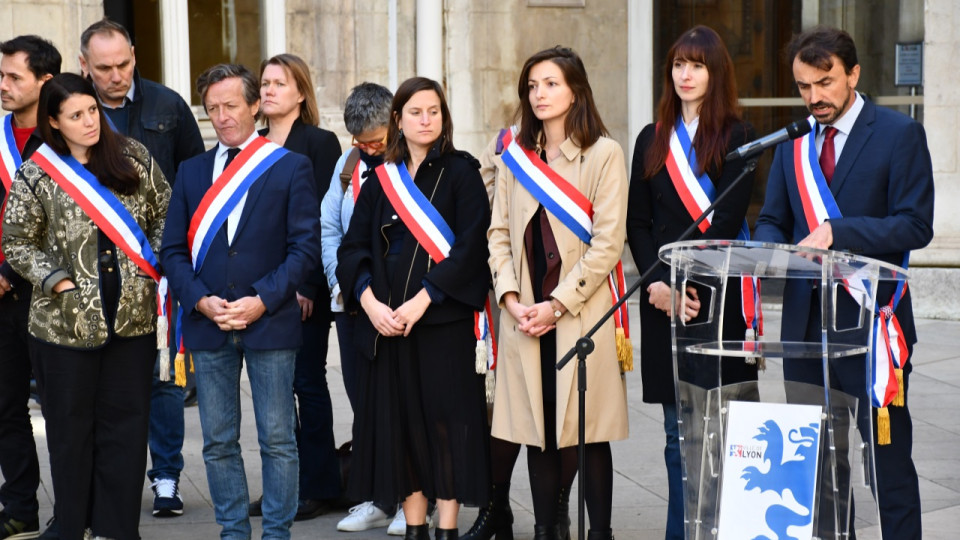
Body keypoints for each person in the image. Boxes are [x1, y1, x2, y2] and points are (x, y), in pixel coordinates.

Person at [753, 26, 933, 539]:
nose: (814, 97)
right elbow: (772, 219)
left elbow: (915, 225)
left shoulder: (899, 134)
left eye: (825, 82)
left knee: (887, 467)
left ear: (853, 74)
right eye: (803, 86)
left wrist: (840, 231)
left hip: (872, 326)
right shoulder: (793, 145)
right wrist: (768, 250)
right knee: (819, 473)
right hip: (804, 331)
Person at [2, 72, 170, 540]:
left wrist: (152, 268)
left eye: (92, 110)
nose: (90, 121)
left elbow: (165, 214)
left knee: (126, 429)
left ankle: (117, 529)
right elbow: (17, 241)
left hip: (132, 319)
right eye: (76, 115)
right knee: (70, 431)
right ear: (54, 122)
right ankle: (71, 525)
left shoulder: (134, 156)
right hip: (63, 324)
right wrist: (55, 281)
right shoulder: (37, 171)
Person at [160, 63, 321, 540]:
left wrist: (262, 300)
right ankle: (233, 532)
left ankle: (277, 534)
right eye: (212, 108)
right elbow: (172, 251)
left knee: (278, 439)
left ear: (255, 105)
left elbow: (305, 249)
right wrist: (200, 301)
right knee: (217, 442)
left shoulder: (290, 166)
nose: (222, 116)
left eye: (231, 105)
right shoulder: (191, 171)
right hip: (209, 323)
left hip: (269, 321)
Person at [336, 76, 491, 540]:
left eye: (434, 111)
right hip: (389, 327)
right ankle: (415, 529)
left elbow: (470, 250)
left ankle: (447, 530)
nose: (426, 120)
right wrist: (368, 302)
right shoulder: (381, 180)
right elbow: (351, 249)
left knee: (445, 428)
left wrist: (424, 299)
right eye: (416, 112)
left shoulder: (462, 172)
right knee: (402, 430)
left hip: (443, 323)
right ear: (398, 120)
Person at [487, 46, 628, 540]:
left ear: (575, 91)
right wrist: (510, 299)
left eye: (551, 84)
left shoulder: (604, 153)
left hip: (578, 313)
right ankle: (547, 529)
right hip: (525, 312)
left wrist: (557, 304)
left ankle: (600, 533)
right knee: (537, 432)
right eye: (532, 86)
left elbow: (608, 243)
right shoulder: (515, 157)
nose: (539, 94)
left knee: (587, 432)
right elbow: (498, 234)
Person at [625, 25, 759, 540]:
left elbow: (725, 223)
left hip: (718, 296)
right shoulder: (651, 137)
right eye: (679, 64)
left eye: (697, 65)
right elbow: (638, 223)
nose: (686, 74)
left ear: (715, 72)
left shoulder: (738, 136)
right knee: (675, 431)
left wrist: (686, 288)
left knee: (722, 430)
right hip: (662, 298)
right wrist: (660, 288)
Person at [79, 18, 205, 519]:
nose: (116, 76)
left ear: (134, 54)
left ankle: (167, 476)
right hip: (90, 270)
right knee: (101, 382)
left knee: (163, 375)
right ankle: (109, 482)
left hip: (156, 265)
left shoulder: (168, 105)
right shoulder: (71, 110)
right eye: (104, 68)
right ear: (84, 65)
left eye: (124, 64)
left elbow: (196, 179)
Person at [320, 82, 414, 535]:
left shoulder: (414, 162)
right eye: (359, 141)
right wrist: (343, 286)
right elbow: (329, 230)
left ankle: (415, 499)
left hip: (405, 310)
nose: (367, 149)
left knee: (407, 406)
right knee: (365, 404)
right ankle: (379, 497)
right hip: (356, 307)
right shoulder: (349, 164)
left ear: (395, 123)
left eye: (374, 141)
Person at [254, 52, 343, 523]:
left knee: (306, 382)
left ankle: (319, 485)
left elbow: (321, 218)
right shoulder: (252, 144)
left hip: (305, 287)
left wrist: (307, 284)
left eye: (279, 83)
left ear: (300, 93)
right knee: (273, 391)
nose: (269, 90)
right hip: (263, 289)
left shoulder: (319, 142)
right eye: (265, 83)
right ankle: (280, 489)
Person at [0, 34, 60, 540]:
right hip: (1, 303)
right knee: (5, 407)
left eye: (14, 77)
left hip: (49, 298)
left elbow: (64, 227)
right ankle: (20, 509)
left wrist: (9, 269)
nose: (3, 85)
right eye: (0, 75)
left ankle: (75, 511)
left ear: (45, 80)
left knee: (63, 411)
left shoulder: (64, 139)